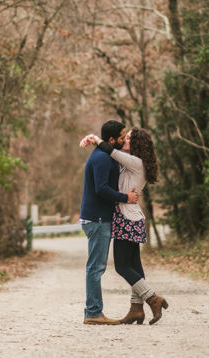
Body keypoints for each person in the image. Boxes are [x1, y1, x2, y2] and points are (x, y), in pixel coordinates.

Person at [80, 127, 169, 325]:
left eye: (128, 138)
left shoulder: (135, 161)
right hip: (131, 217)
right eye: (124, 137)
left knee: (121, 266)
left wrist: (95, 138)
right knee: (134, 265)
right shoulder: (136, 162)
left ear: (136, 144)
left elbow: (109, 150)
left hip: (127, 218)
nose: (125, 140)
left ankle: (153, 299)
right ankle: (136, 310)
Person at [79, 120, 140, 325]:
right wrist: (125, 198)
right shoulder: (103, 158)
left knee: (96, 267)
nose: (124, 140)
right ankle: (94, 313)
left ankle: (93, 311)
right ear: (112, 139)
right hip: (97, 219)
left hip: (98, 218)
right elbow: (102, 189)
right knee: (96, 268)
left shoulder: (106, 154)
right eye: (122, 137)